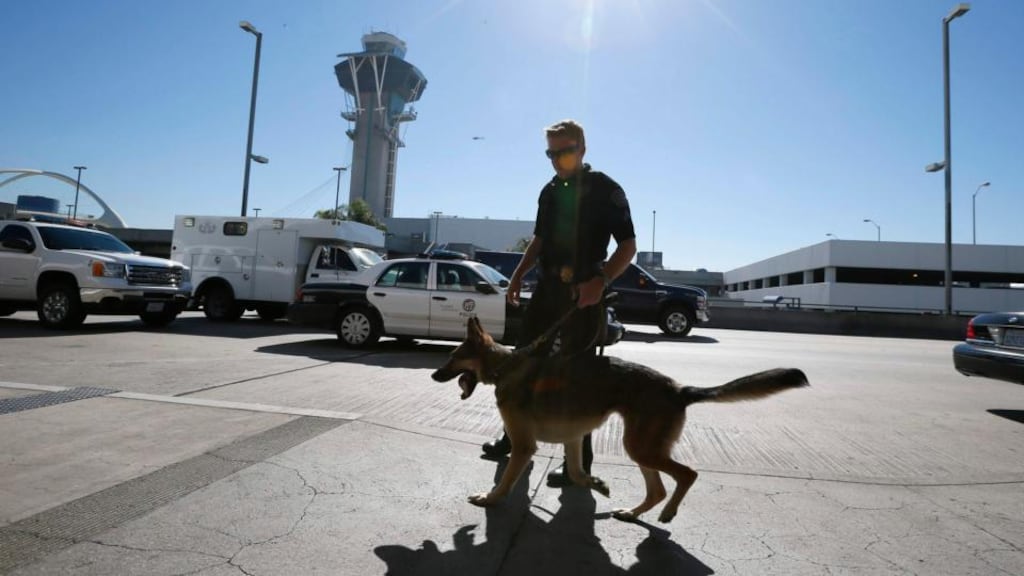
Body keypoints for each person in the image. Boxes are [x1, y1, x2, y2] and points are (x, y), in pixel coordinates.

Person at [481, 119, 637, 487]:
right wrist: (519, 274)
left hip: (583, 294)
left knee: (576, 377)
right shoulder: (549, 190)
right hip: (546, 289)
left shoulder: (605, 189)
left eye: (564, 151)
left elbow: (628, 247)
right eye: (551, 153)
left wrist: (600, 282)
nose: (557, 159)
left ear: (582, 148)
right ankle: (514, 437)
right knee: (521, 363)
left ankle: (578, 464)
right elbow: (539, 239)